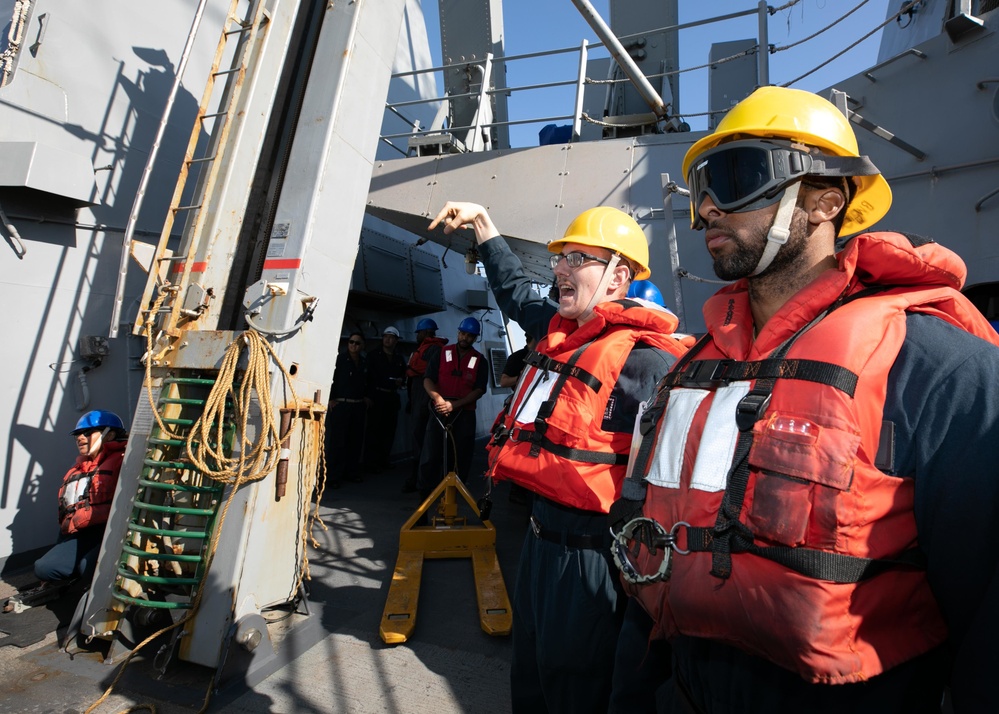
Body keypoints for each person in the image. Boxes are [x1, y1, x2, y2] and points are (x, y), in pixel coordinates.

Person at [611, 86, 999, 713]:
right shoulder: (691, 369)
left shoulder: (940, 370)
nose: (708, 208)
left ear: (824, 200)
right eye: (700, 187)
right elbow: (652, 562)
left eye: (736, 177)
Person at [428, 202, 691, 713]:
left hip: (593, 558)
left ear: (618, 276)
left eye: (578, 259)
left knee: (578, 687)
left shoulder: (648, 363)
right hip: (538, 545)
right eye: (560, 258)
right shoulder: (560, 335)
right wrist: (485, 225)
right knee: (530, 678)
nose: (561, 268)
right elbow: (513, 291)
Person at [6, 410, 129, 612]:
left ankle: (99, 584)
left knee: (88, 567)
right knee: (44, 568)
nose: (81, 438)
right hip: (85, 534)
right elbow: (69, 512)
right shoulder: (78, 468)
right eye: (78, 434)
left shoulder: (124, 461)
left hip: (113, 533)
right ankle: (80, 577)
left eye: (88, 432)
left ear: (110, 434)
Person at [418, 317, 487, 499]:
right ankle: (425, 495)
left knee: (460, 457)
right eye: (463, 333)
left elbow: (479, 390)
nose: (465, 338)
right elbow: (428, 379)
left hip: (464, 414)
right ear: (458, 333)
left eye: (470, 336)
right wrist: (439, 399)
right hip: (439, 410)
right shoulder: (441, 354)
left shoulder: (480, 361)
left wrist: (455, 405)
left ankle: (453, 496)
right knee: (431, 454)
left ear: (475, 338)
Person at [403, 318, 448, 493]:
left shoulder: (433, 349)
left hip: (424, 402)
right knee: (421, 441)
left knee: (423, 442)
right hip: (418, 401)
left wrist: (422, 405)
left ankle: (422, 481)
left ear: (426, 333)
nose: (417, 336)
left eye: (419, 333)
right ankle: (421, 479)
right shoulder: (429, 349)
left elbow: (429, 376)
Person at [325, 331, 370, 489]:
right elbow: (330, 379)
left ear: (362, 345)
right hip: (341, 405)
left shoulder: (364, 362)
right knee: (338, 442)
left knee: (355, 441)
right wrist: (330, 398)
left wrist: (365, 397)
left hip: (357, 405)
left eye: (357, 343)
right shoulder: (340, 360)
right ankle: (333, 477)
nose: (353, 345)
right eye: (351, 342)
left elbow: (367, 382)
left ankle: (351, 473)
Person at [364, 325, 406, 472]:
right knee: (374, 430)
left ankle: (383, 460)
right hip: (377, 396)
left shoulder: (399, 359)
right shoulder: (373, 356)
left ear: (396, 340)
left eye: (391, 337)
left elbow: (403, 375)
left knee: (389, 432)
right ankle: (370, 463)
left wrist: (401, 381)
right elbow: (368, 377)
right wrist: (368, 396)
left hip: (391, 398)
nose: (388, 340)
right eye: (386, 337)